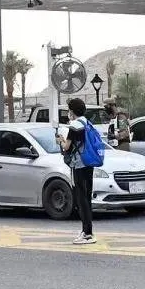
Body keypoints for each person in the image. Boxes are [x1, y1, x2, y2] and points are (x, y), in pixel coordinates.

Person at [58, 97, 97, 245]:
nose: (68, 113)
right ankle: (87, 230)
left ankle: (87, 234)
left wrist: (60, 140)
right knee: (87, 198)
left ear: (72, 111)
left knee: (81, 199)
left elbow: (67, 147)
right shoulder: (86, 123)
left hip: (78, 165)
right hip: (89, 163)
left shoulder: (74, 125)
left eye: (69, 110)